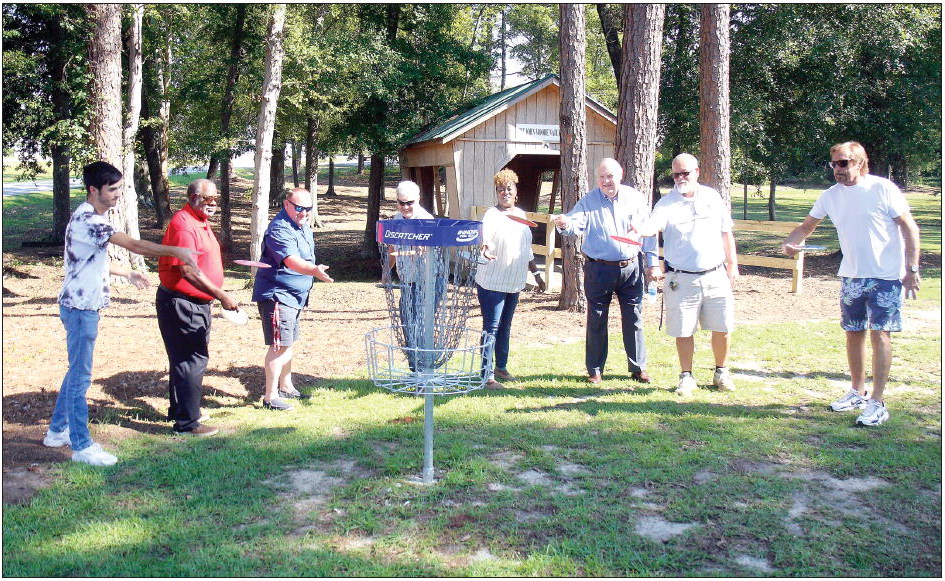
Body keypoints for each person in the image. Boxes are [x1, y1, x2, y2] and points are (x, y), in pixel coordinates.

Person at [43, 161, 200, 466]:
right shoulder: (91, 220)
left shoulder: (90, 217)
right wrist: (176, 251)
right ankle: (82, 446)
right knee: (80, 377)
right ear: (94, 190)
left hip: (81, 307)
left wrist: (126, 273)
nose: (117, 195)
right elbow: (136, 245)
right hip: (79, 309)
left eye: (119, 188)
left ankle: (57, 430)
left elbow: (90, 260)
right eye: (111, 189)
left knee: (76, 371)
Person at [782, 141, 920, 426]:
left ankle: (878, 403)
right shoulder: (831, 196)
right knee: (853, 332)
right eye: (833, 164)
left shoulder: (882, 189)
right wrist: (792, 242)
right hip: (852, 275)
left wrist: (912, 269)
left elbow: (910, 227)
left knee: (880, 334)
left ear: (860, 162)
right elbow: (807, 226)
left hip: (885, 276)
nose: (837, 169)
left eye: (843, 163)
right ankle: (857, 391)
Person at [637, 153, 739, 397]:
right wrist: (640, 229)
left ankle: (721, 372)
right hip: (680, 279)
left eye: (686, 173)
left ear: (697, 171)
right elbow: (653, 226)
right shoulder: (665, 204)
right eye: (676, 174)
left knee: (723, 327)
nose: (681, 178)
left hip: (716, 275)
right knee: (683, 330)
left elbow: (727, 233)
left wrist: (732, 266)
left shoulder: (713, 198)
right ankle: (686, 376)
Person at [553, 158, 658, 385]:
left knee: (634, 318)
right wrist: (564, 224)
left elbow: (648, 233)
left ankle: (638, 368)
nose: (606, 181)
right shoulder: (589, 201)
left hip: (631, 268)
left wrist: (653, 263)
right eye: (601, 177)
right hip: (598, 269)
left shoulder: (635, 198)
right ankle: (595, 370)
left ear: (620, 175)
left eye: (610, 176)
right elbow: (575, 223)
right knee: (597, 318)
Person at [156, 179, 240, 436]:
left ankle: (181, 411)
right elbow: (188, 270)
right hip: (183, 303)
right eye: (207, 199)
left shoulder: (198, 221)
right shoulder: (183, 225)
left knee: (185, 359)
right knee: (192, 359)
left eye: (216, 199)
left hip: (196, 303)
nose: (213, 204)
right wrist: (220, 294)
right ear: (193, 196)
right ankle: (188, 424)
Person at [253, 187, 333, 411]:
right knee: (279, 345)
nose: (304, 213)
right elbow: (291, 260)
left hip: (296, 296)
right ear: (286, 205)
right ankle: (270, 397)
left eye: (308, 209)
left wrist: (312, 271)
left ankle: (286, 387)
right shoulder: (279, 228)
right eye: (299, 208)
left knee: (288, 343)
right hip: (278, 295)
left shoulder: (303, 225)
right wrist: (314, 270)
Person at [475, 170, 546, 389]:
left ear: (515, 191)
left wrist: (536, 275)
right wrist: (485, 249)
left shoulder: (522, 215)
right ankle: (486, 375)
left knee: (505, 326)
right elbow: (484, 238)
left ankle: (501, 367)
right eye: (500, 189)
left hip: (514, 281)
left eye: (509, 188)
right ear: (496, 192)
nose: (505, 192)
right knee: (492, 327)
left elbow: (526, 249)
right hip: (492, 281)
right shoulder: (491, 215)